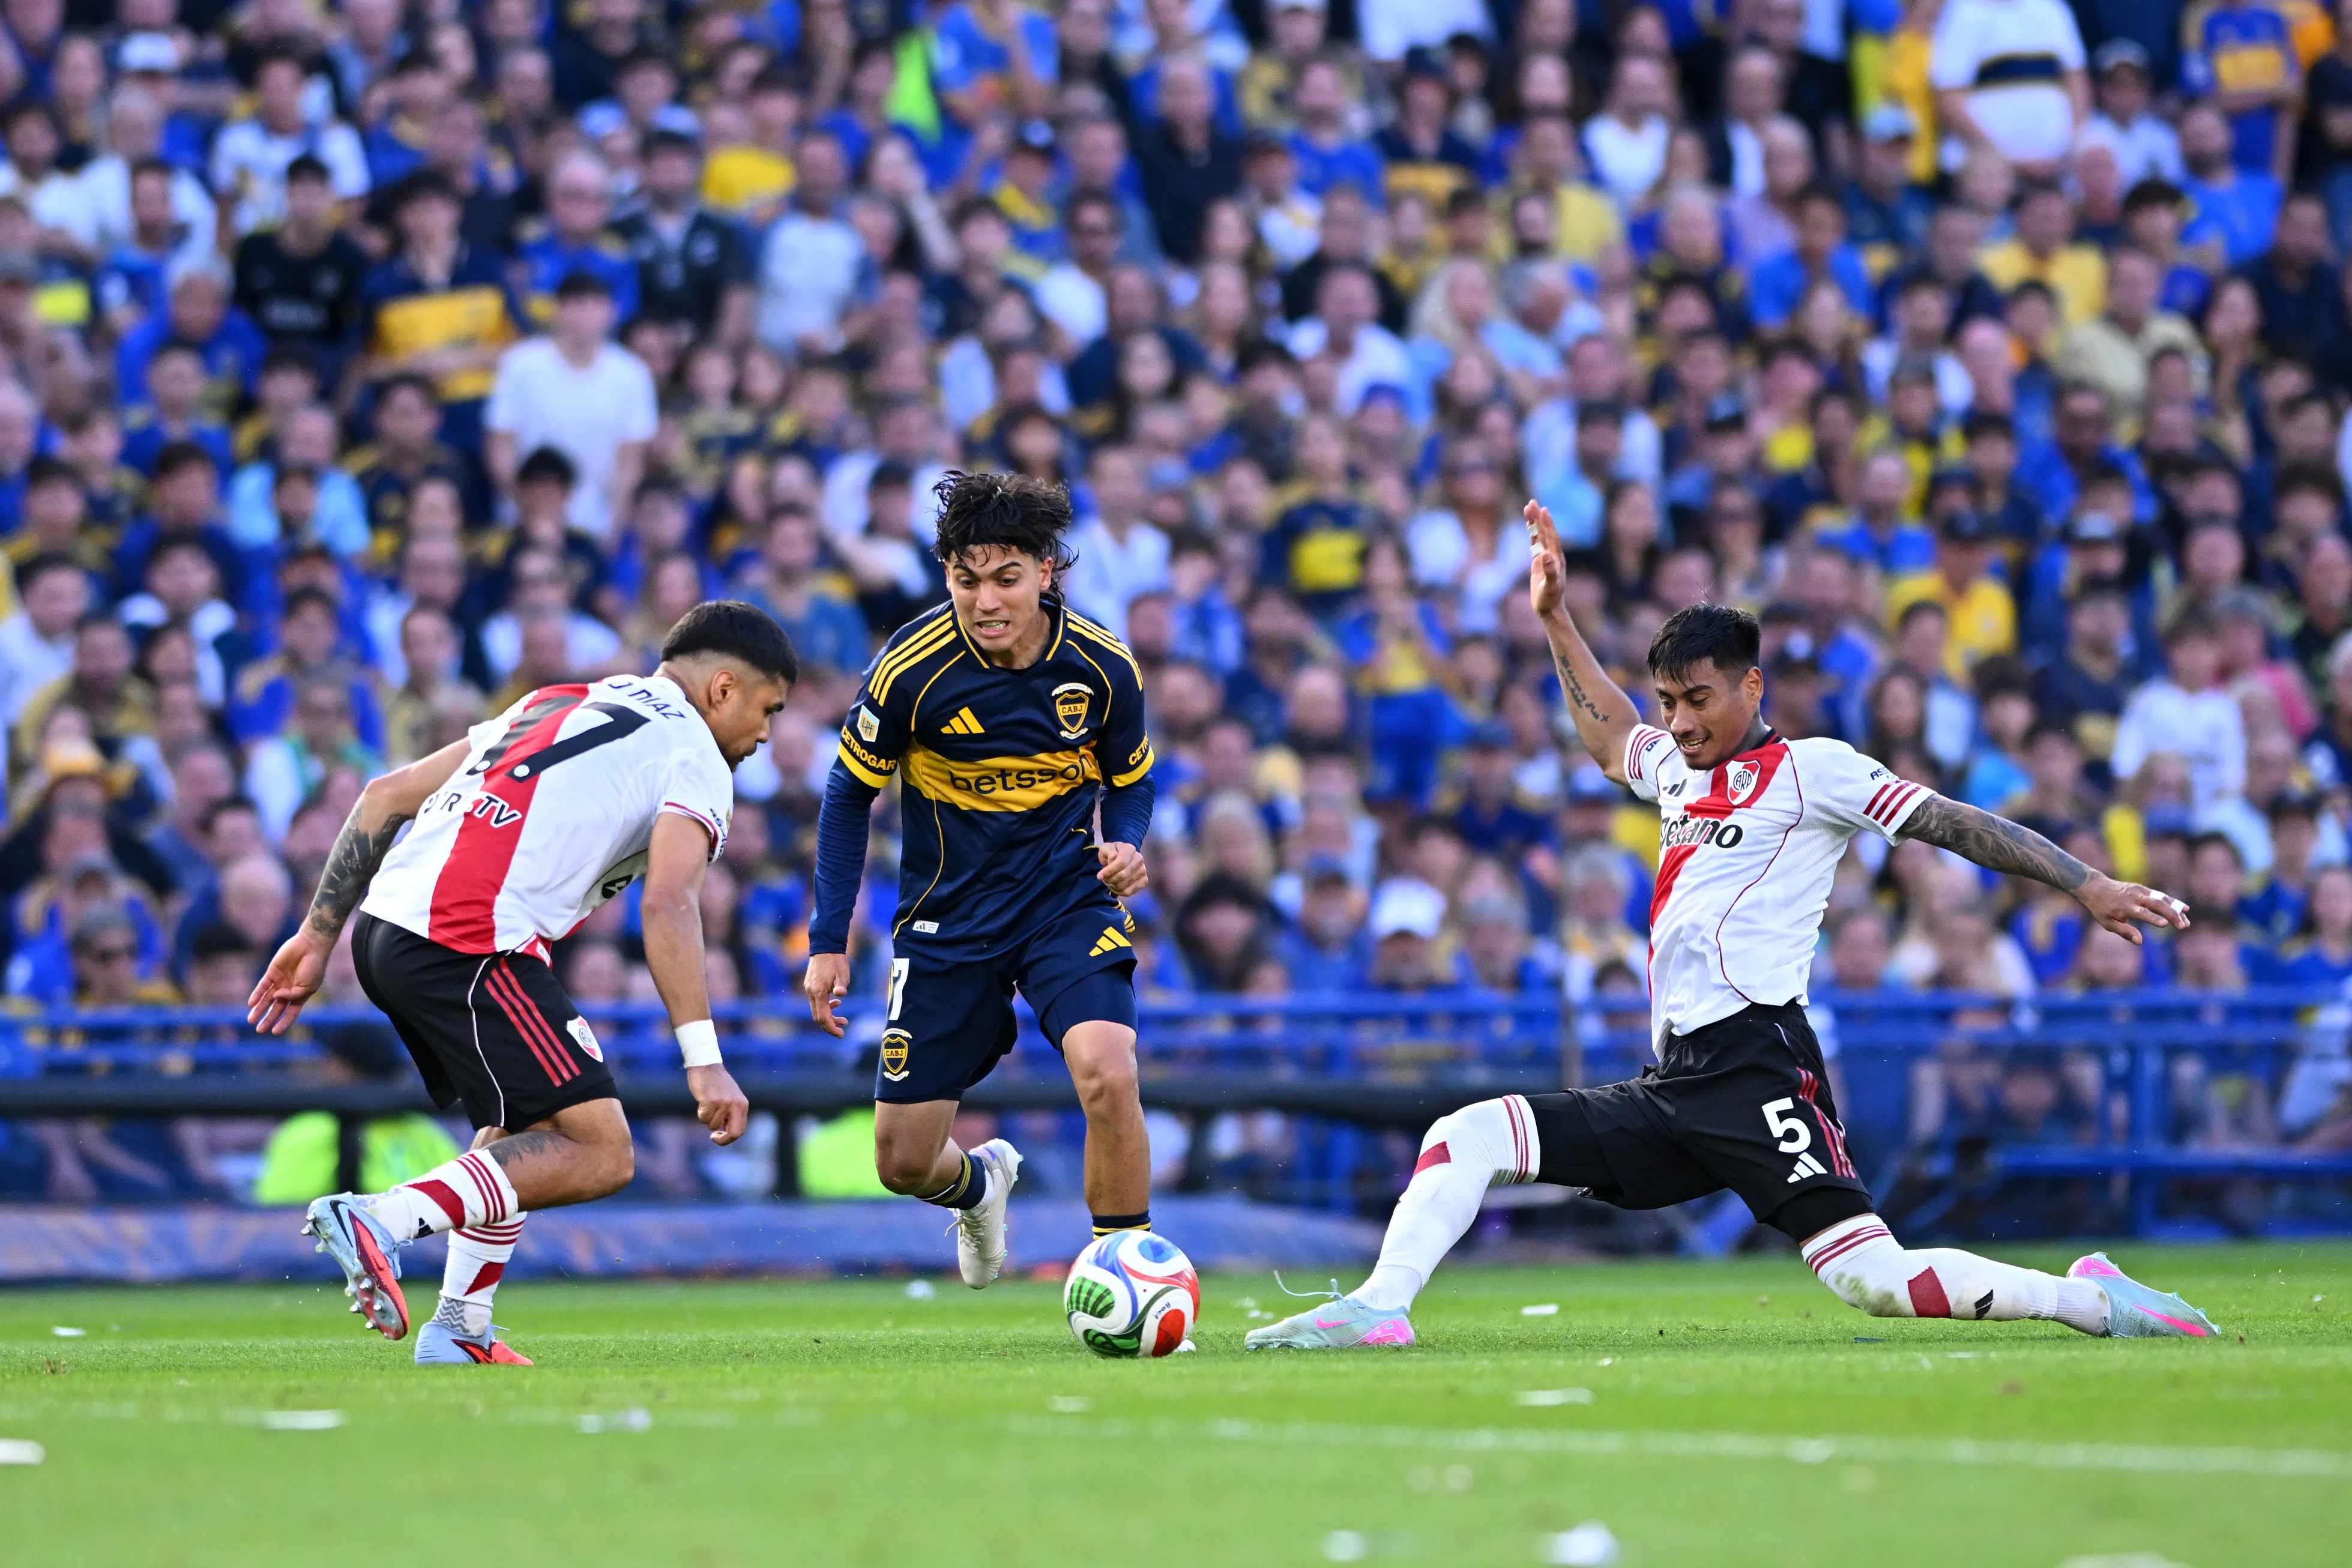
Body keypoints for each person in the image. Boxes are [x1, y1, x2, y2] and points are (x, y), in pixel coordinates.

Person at [1244, 500, 2215, 1350]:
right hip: (1674, 1083)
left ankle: (2085, 1298)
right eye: (1668, 700)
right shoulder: (1671, 764)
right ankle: (1379, 1307)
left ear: (1752, 688)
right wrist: (1553, 619)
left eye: (1696, 699)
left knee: (1869, 1278)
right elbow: (1603, 730)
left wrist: (2083, 881)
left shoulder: (1815, 771)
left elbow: (1951, 822)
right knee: (1466, 1133)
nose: (1678, 721)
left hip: (1759, 1065)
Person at [247, 601, 797, 1364]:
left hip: (386, 927)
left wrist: (316, 933)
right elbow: (670, 900)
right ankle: (382, 1217)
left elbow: (385, 795)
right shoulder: (696, 756)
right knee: (602, 1150)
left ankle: (460, 1326)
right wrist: (704, 1059)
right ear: (724, 688)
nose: (766, 734)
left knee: (520, 1128)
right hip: (469, 940)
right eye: (768, 710)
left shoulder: (559, 699)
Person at [803, 469, 1156, 1289]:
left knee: (1109, 1069)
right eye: (966, 580)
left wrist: (1126, 842)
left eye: (1005, 578)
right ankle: (980, 1185)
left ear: (1046, 573)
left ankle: (1126, 1273)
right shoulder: (910, 670)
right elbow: (847, 795)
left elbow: (1131, 779)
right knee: (902, 1162)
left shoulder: (1102, 668)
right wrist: (828, 941)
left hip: (1062, 902)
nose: (985, 600)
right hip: (946, 918)